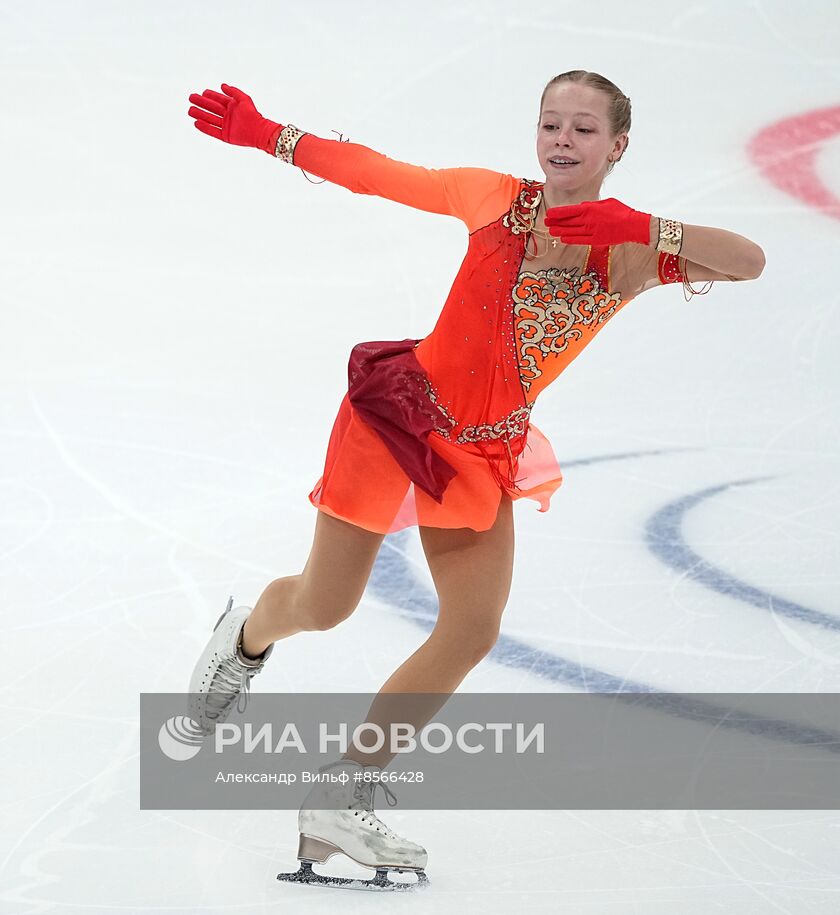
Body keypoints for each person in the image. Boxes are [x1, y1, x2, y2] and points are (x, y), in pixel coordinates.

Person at [183, 71, 766, 891]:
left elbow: (751, 261)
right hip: (397, 419)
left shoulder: (635, 250)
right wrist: (269, 133)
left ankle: (341, 792)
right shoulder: (499, 200)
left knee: (471, 628)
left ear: (617, 146)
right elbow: (383, 173)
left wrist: (644, 223)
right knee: (326, 603)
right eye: (550, 124)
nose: (562, 139)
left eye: (584, 129)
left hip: (482, 452)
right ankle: (244, 639)